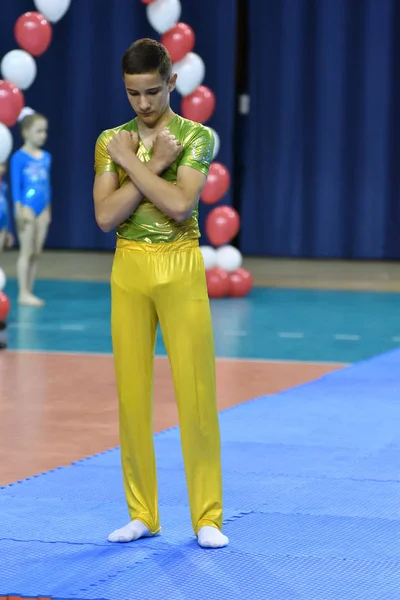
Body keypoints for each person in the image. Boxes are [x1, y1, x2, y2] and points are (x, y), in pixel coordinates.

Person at [93, 38, 228, 549]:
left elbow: (177, 204)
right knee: (132, 396)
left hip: (180, 265)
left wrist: (134, 163)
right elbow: (105, 218)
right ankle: (142, 513)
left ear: (171, 82)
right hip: (128, 267)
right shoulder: (112, 139)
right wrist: (144, 160)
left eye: (152, 92)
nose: (144, 105)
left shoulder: (196, 137)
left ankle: (207, 515)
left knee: (197, 395)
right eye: (133, 94)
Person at [10, 113, 52, 307]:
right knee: (26, 251)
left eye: (45, 131)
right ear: (26, 133)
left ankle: (29, 289)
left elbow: (47, 185)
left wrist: (48, 210)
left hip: (42, 209)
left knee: (36, 252)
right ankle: (22, 293)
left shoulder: (46, 157)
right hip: (26, 209)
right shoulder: (18, 157)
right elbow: (16, 186)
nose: (43, 135)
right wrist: (18, 210)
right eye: (39, 131)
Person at [0, 162, 14, 253]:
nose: (3, 169)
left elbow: (7, 209)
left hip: (3, 222)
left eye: (4, 165)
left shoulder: (4, 185)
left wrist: (9, 230)